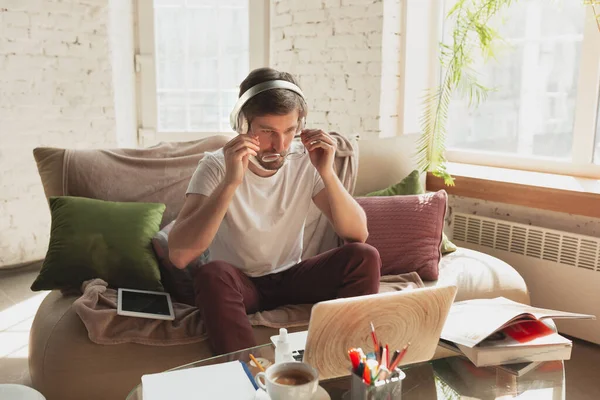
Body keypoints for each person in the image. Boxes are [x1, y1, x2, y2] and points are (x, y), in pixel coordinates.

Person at [168, 67, 381, 354]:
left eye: (290, 131)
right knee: (211, 275)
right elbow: (180, 255)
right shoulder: (217, 166)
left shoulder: (305, 161)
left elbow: (358, 233)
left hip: (291, 276)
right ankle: (250, 378)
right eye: (268, 132)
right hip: (239, 285)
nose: (280, 145)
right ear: (243, 125)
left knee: (363, 256)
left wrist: (327, 173)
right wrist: (231, 182)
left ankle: (345, 361)